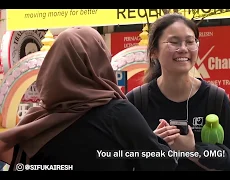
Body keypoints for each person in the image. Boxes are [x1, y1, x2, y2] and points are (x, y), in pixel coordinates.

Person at [0, 27, 177, 171]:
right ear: (98, 65)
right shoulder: (117, 114)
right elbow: (163, 163)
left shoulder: (37, 121)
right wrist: (150, 141)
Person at [126, 13, 230, 171]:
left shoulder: (215, 98)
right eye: (174, 42)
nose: (183, 49)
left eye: (190, 42)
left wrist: (193, 151)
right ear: (154, 51)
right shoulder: (136, 101)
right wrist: (151, 144)